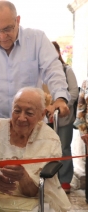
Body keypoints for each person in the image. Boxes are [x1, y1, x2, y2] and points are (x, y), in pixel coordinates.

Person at [0, 87, 71, 212]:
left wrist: (23, 176)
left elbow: (34, 191)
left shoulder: (49, 139)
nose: (21, 118)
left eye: (29, 113)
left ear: (41, 115)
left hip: (34, 199)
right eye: (17, 110)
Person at [0, 1, 70, 129]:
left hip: (31, 121)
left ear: (18, 20)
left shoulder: (37, 39)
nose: (2, 36)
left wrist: (60, 98)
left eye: (7, 29)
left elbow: (53, 70)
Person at [49, 41, 78, 194]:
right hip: (45, 120)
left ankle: (65, 180)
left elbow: (73, 93)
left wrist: (61, 105)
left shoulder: (67, 70)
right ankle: (50, 179)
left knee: (64, 148)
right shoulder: (41, 71)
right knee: (47, 150)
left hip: (63, 119)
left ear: (58, 53)